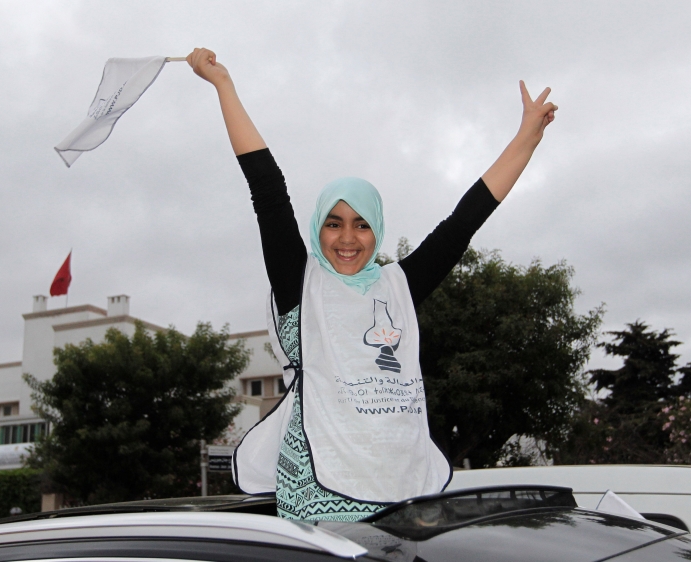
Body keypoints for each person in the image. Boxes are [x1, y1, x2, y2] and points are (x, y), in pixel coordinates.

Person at [186, 48, 556, 521]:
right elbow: (268, 190)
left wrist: (526, 139)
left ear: (377, 230)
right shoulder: (300, 283)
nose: (347, 239)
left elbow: (464, 221)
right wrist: (224, 85)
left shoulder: (398, 285)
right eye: (334, 223)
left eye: (361, 224)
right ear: (318, 229)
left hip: (405, 495)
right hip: (322, 495)